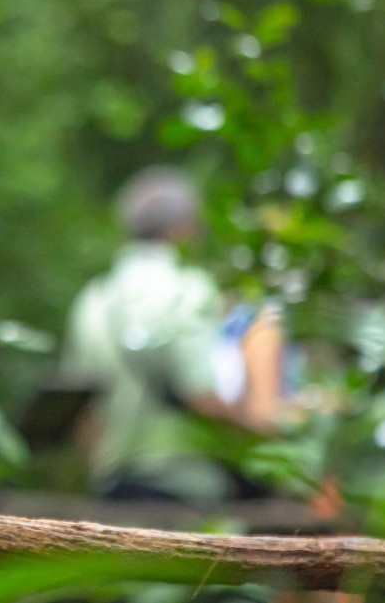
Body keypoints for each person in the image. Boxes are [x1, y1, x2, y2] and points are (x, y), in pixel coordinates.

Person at [61, 166, 287, 504]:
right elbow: (201, 395)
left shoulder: (92, 299)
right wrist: (263, 430)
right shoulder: (188, 287)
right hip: (183, 487)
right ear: (182, 229)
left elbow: (82, 414)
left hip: (113, 490)